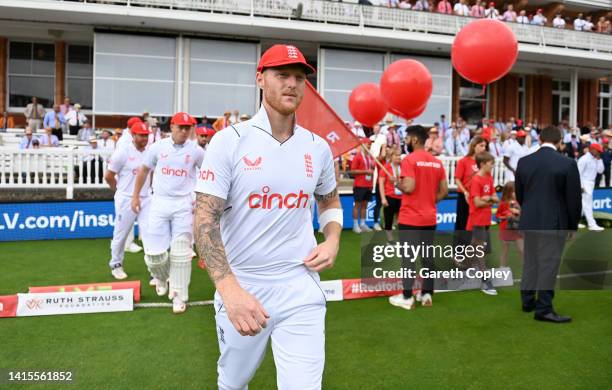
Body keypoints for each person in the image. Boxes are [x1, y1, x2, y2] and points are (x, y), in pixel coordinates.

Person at [193, 44, 341, 389]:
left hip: (300, 286)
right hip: (244, 286)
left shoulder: (317, 147)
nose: (292, 84)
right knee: (233, 381)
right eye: (282, 75)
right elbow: (203, 221)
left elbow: (329, 200)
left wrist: (332, 239)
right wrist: (229, 290)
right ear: (260, 79)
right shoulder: (228, 142)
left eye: (300, 78)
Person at [132, 112, 204, 314]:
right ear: (171, 126)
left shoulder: (196, 151)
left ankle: (179, 296)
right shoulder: (157, 148)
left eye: (187, 127)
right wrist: (135, 196)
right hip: (159, 202)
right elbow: (144, 171)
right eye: (180, 126)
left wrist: (201, 201)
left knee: (181, 254)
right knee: (154, 254)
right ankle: (161, 277)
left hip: (183, 204)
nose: (184, 130)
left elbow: (207, 174)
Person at [515, 126, 582, 323]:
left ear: (540, 139)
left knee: (531, 261)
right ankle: (544, 308)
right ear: (560, 141)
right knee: (548, 264)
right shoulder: (567, 163)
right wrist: (572, 225)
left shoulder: (524, 162)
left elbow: (521, 195)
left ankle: (528, 301)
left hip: (530, 219)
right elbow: (573, 200)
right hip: (553, 222)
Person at [388, 125, 448, 310]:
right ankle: (426, 294)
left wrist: (397, 182)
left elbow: (410, 187)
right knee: (427, 258)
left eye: (407, 138)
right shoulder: (437, 162)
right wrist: (429, 201)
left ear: (414, 140)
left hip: (410, 218)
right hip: (429, 218)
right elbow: (444, 191)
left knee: (409, 259)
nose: (405, 141)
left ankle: (407, 297)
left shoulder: (410, 160)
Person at [105, 122, 153, 280]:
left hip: (146, 198)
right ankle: (116, 264)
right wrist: (118, 191)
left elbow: (151, 174)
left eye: (146, 135)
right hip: (126, 198)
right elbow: (108, 176)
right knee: (121, 234)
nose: (145, 138)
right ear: (133, 135)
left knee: (150, 234)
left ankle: (155, 271)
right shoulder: (122, 153)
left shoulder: (150, 152)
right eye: (141, 135)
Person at [464, 151, 499, 295]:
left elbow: (496, 198)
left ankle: (461, 262)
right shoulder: (476, 180)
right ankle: (485, 280)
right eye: (491, 164)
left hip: (484, 218)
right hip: (477, 217)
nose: (493, 166)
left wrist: (488, 199)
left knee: (475, 245)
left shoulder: (489, 177)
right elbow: (477, 202)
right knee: (479, 249)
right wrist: (488, 199)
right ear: (483, 164)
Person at [454, 136, 488, 246]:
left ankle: (475, 255)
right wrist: (465, 192)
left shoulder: (484, 163)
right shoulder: (463, 161)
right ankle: (459, 253)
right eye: (481, 145)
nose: (484, 148)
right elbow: (457, 179)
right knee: (463, 225)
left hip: (478, 198)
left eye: (485, 146)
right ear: (474, 146)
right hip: (465, 197)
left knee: (478, 226)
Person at [496, 181, 524, 268]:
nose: (517, 193)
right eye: (514, 191)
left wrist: (518, 212)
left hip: (517, 229)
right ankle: (502, 268)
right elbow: (498, 215)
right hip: (506, 230)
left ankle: (527, 268)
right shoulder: (503, 203)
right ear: (508, 192)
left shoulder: (520, 202)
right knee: (505, 251)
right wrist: (506, 215)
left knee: (522, 250)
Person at [577, 143, 605, 231]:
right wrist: (581, 186)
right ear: (592, 149)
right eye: (598, 151)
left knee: (582, 204)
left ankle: (575, 222)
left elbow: (601, 171)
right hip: (585, 183)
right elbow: (578, 173)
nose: (599, 153)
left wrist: (599, 159)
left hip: (591, 183)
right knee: (587, 205)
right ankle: (591, 224)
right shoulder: (584, 159)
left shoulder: (596, 159)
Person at [350, 139, 375, 233]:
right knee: (357, 205)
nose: (369, 146)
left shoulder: (371, 157)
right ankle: (355, 225)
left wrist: (371, 184)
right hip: (359, 185)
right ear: (363, 144)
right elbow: (352, 171)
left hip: (368, 185)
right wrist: (365, 171)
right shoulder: (358, 156)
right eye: (368, 144)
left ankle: (363, 224)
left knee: (365, 205)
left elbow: (372, 171)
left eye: (370, 144)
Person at [379, 148, 402, 241]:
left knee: (402, 220)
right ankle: (390, 239)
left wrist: (397, 181)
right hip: (390, 196)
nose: (398, 158)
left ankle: (402, 239)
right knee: (389, 219)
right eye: (396, 155)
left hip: (401, 197)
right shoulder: (386, 168)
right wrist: (383, 198)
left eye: (399, 156)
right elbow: (381, 184)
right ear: (391, 157)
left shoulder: (403, 167)